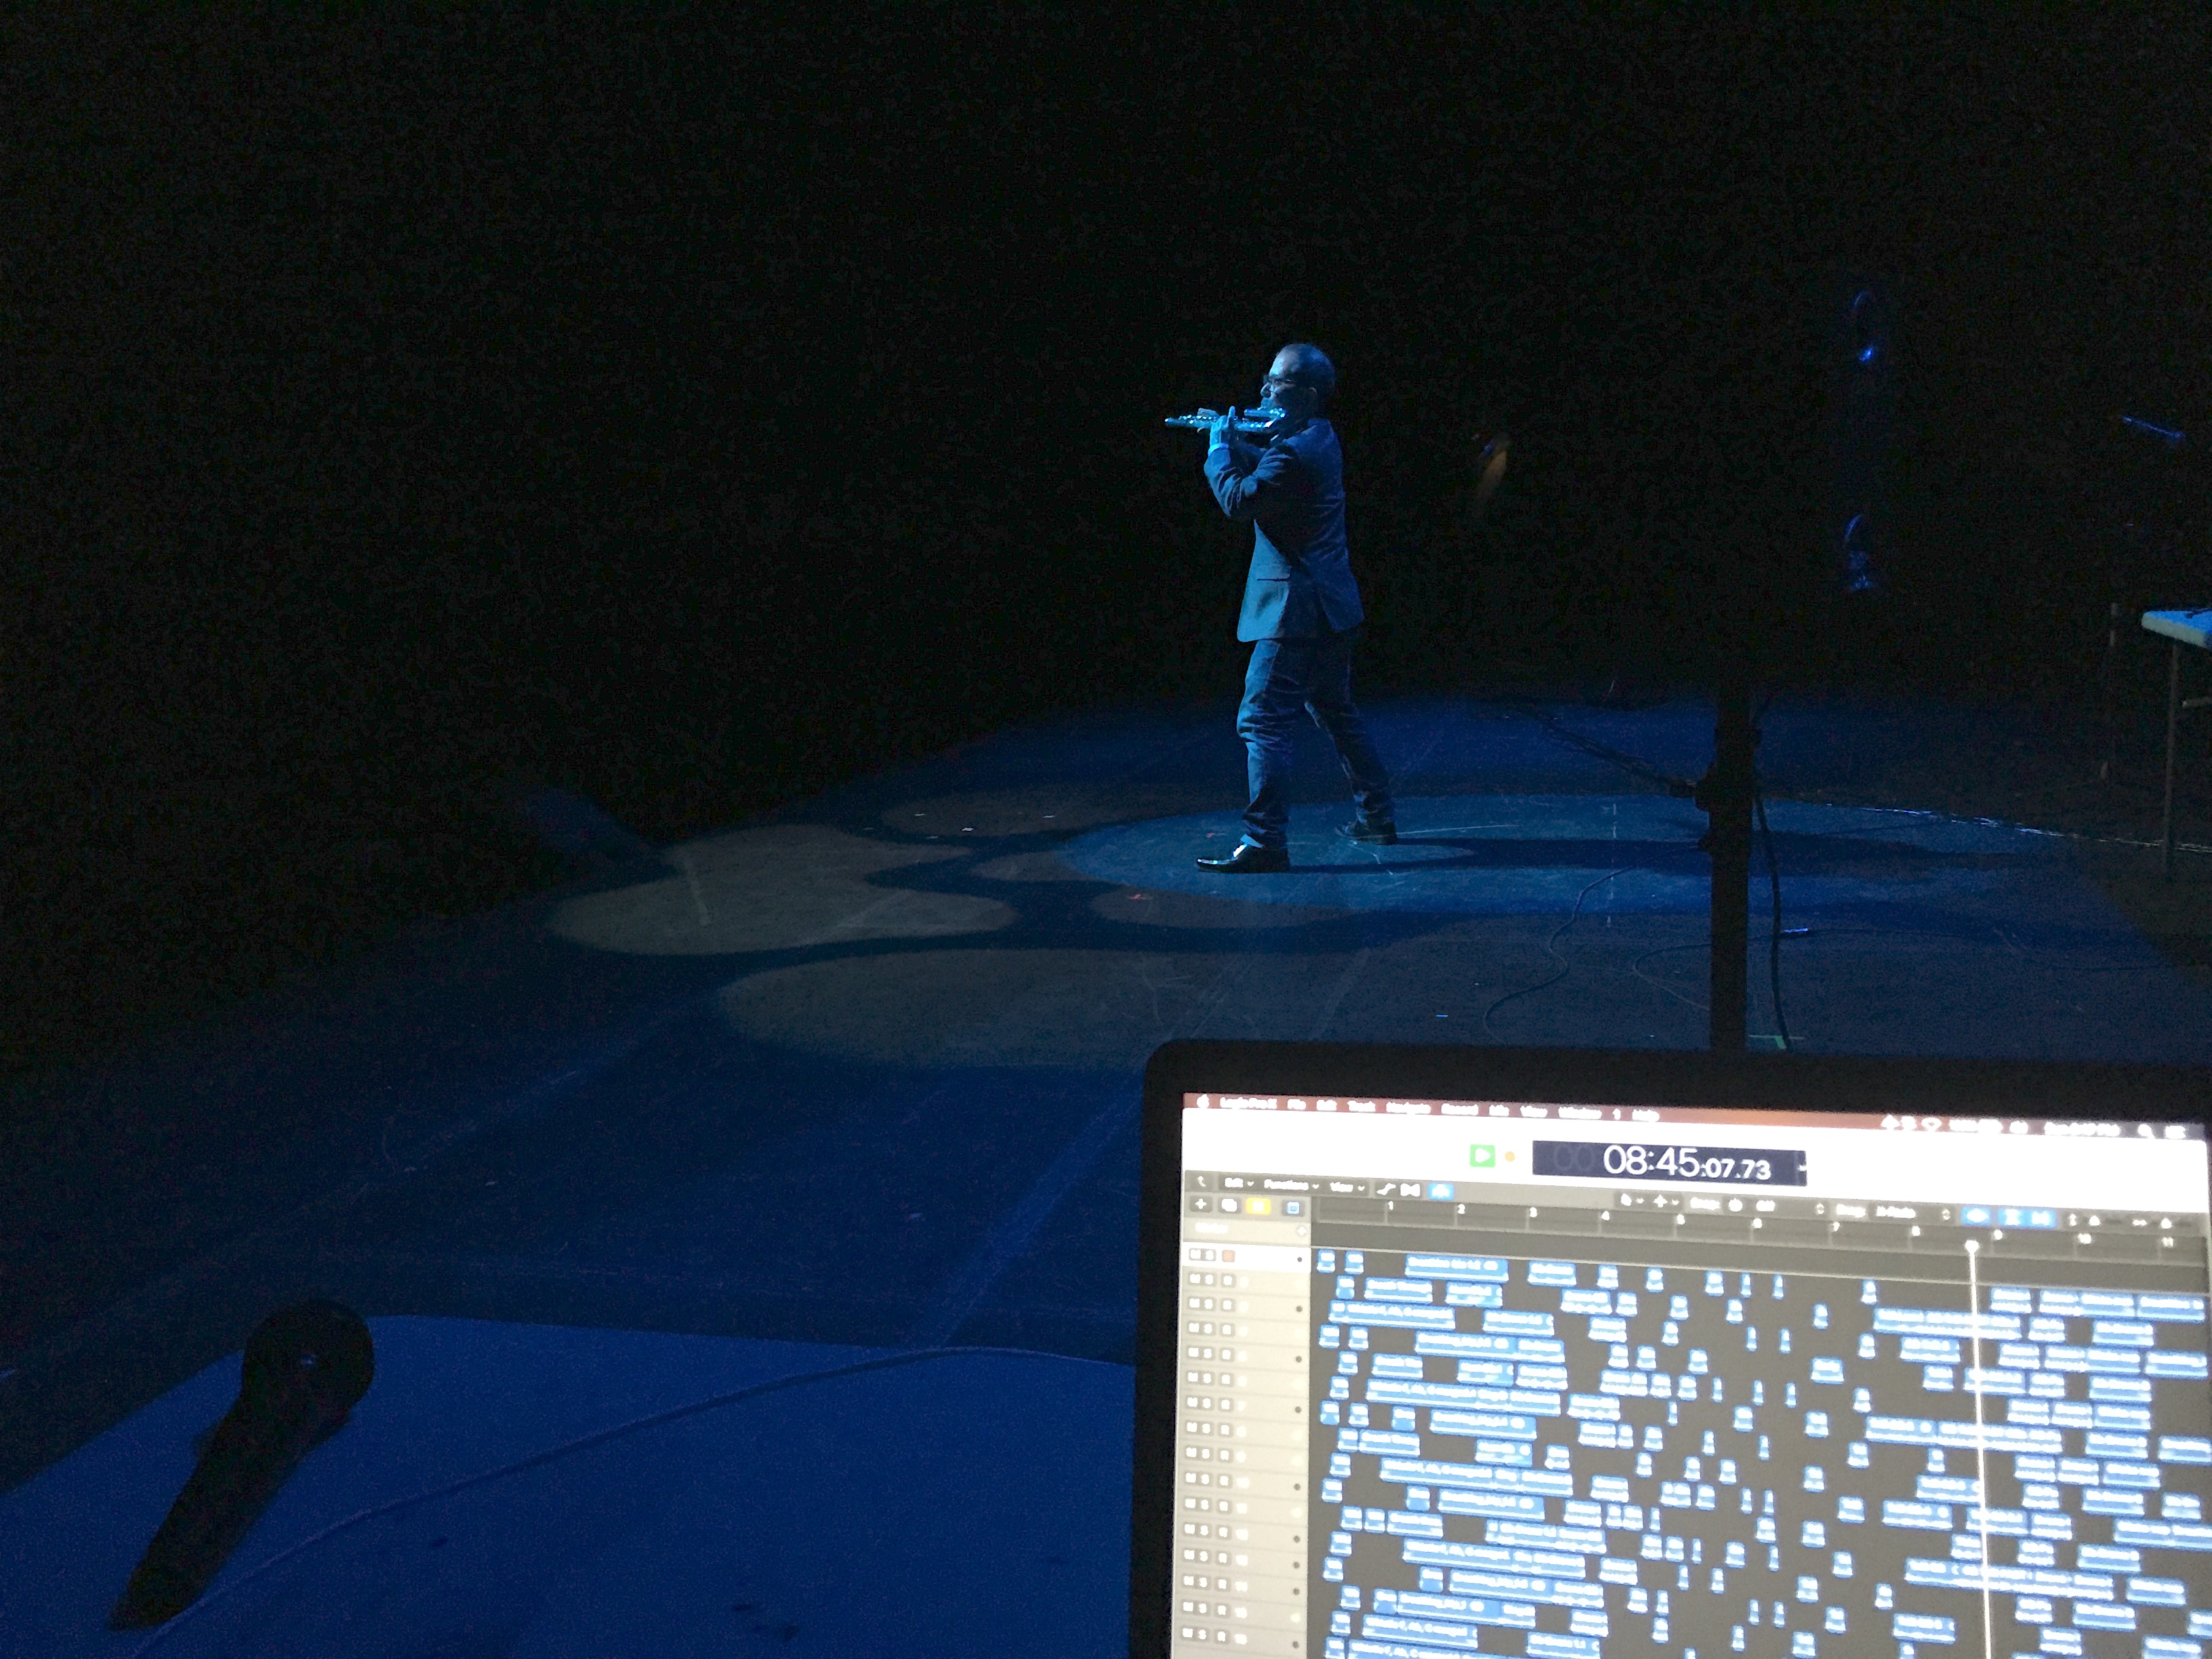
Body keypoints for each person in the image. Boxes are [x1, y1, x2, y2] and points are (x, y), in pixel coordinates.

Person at [1193, 343, 1395, 873]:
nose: (1263, 390)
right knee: (1337, 712)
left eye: (1276, 383)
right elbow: (1276, 469)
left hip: (1296, 613)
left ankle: (1265, 842)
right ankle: (1377, 816)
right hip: (1332, 606)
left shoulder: (1293, 453)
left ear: (1305, 393)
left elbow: (1241, 500)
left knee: (1262, 722)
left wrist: (1218, 449)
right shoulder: (1320, 436)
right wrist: (1236, 438)